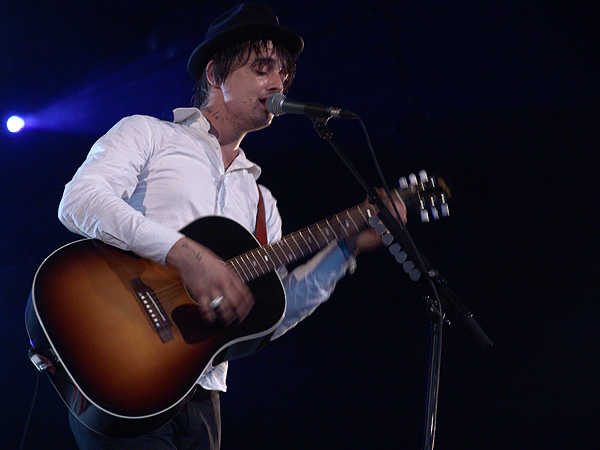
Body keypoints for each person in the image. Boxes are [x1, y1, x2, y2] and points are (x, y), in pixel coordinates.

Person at [57, 3, 406, 449]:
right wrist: (184, 254)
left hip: (205, 395)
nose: (278, 83)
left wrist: (346, 250)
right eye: (263, 68)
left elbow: (271, 315)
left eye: (283, 73)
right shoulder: (149, 135)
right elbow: (79, 201)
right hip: (122, 368)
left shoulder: (261, 202)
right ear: (215, 75)